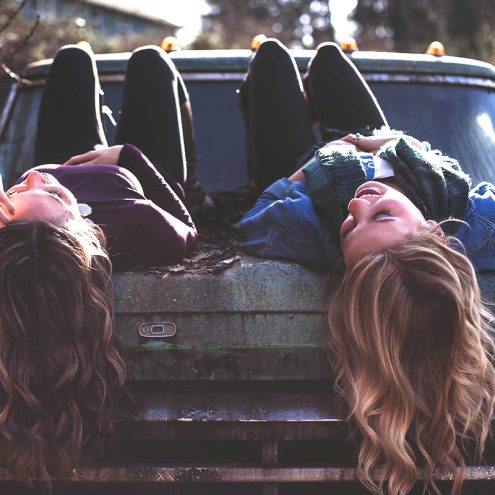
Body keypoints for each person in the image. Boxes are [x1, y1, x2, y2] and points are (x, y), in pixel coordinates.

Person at [238, 39, 495, 495]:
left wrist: (312, 166)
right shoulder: (471, 215)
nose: (357, 205)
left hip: (310, 170)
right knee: (329, 59)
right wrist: (393, 145)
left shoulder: (309, 227)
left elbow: (257, 216)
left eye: (348, 229)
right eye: (382, 216)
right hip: (390, 150)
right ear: (436, 232)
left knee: (271, 60)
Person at [0, 43, 199, 483]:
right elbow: (187, 227)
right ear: (82, 230)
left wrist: (32, 193)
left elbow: (37, 183)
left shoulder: (19, 234)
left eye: (15, 191)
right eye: (53, 194)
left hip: (67, 155)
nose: (34, 177)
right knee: (150, 61)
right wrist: (129, 157)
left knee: (71, 57)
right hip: (133, 173)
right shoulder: (134, 224)